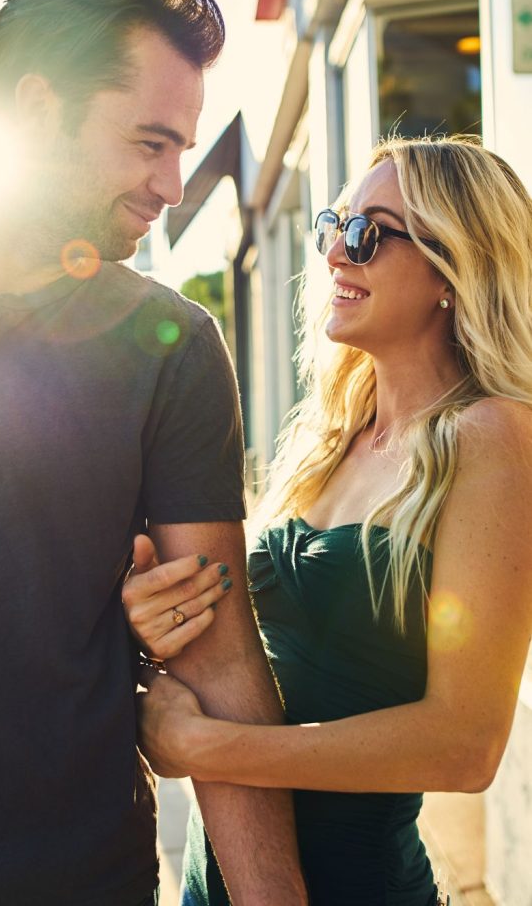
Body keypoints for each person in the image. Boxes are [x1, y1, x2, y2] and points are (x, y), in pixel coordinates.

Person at [0, 0, 308, 906]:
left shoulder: (172, 346)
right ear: (33, 108)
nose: (172, 185)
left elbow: (221, 651)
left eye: (182, 148)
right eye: (148, 142)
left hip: (76, 874)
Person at [126, 135, 532, 905]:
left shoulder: (492, 436)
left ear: (455, 266)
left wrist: (210, 748)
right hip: (223, 876)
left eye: (367, 234)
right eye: (331, 226)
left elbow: (465, 746)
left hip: (354, 885)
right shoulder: (328, 436)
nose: (334, 254)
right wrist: (158, 624)